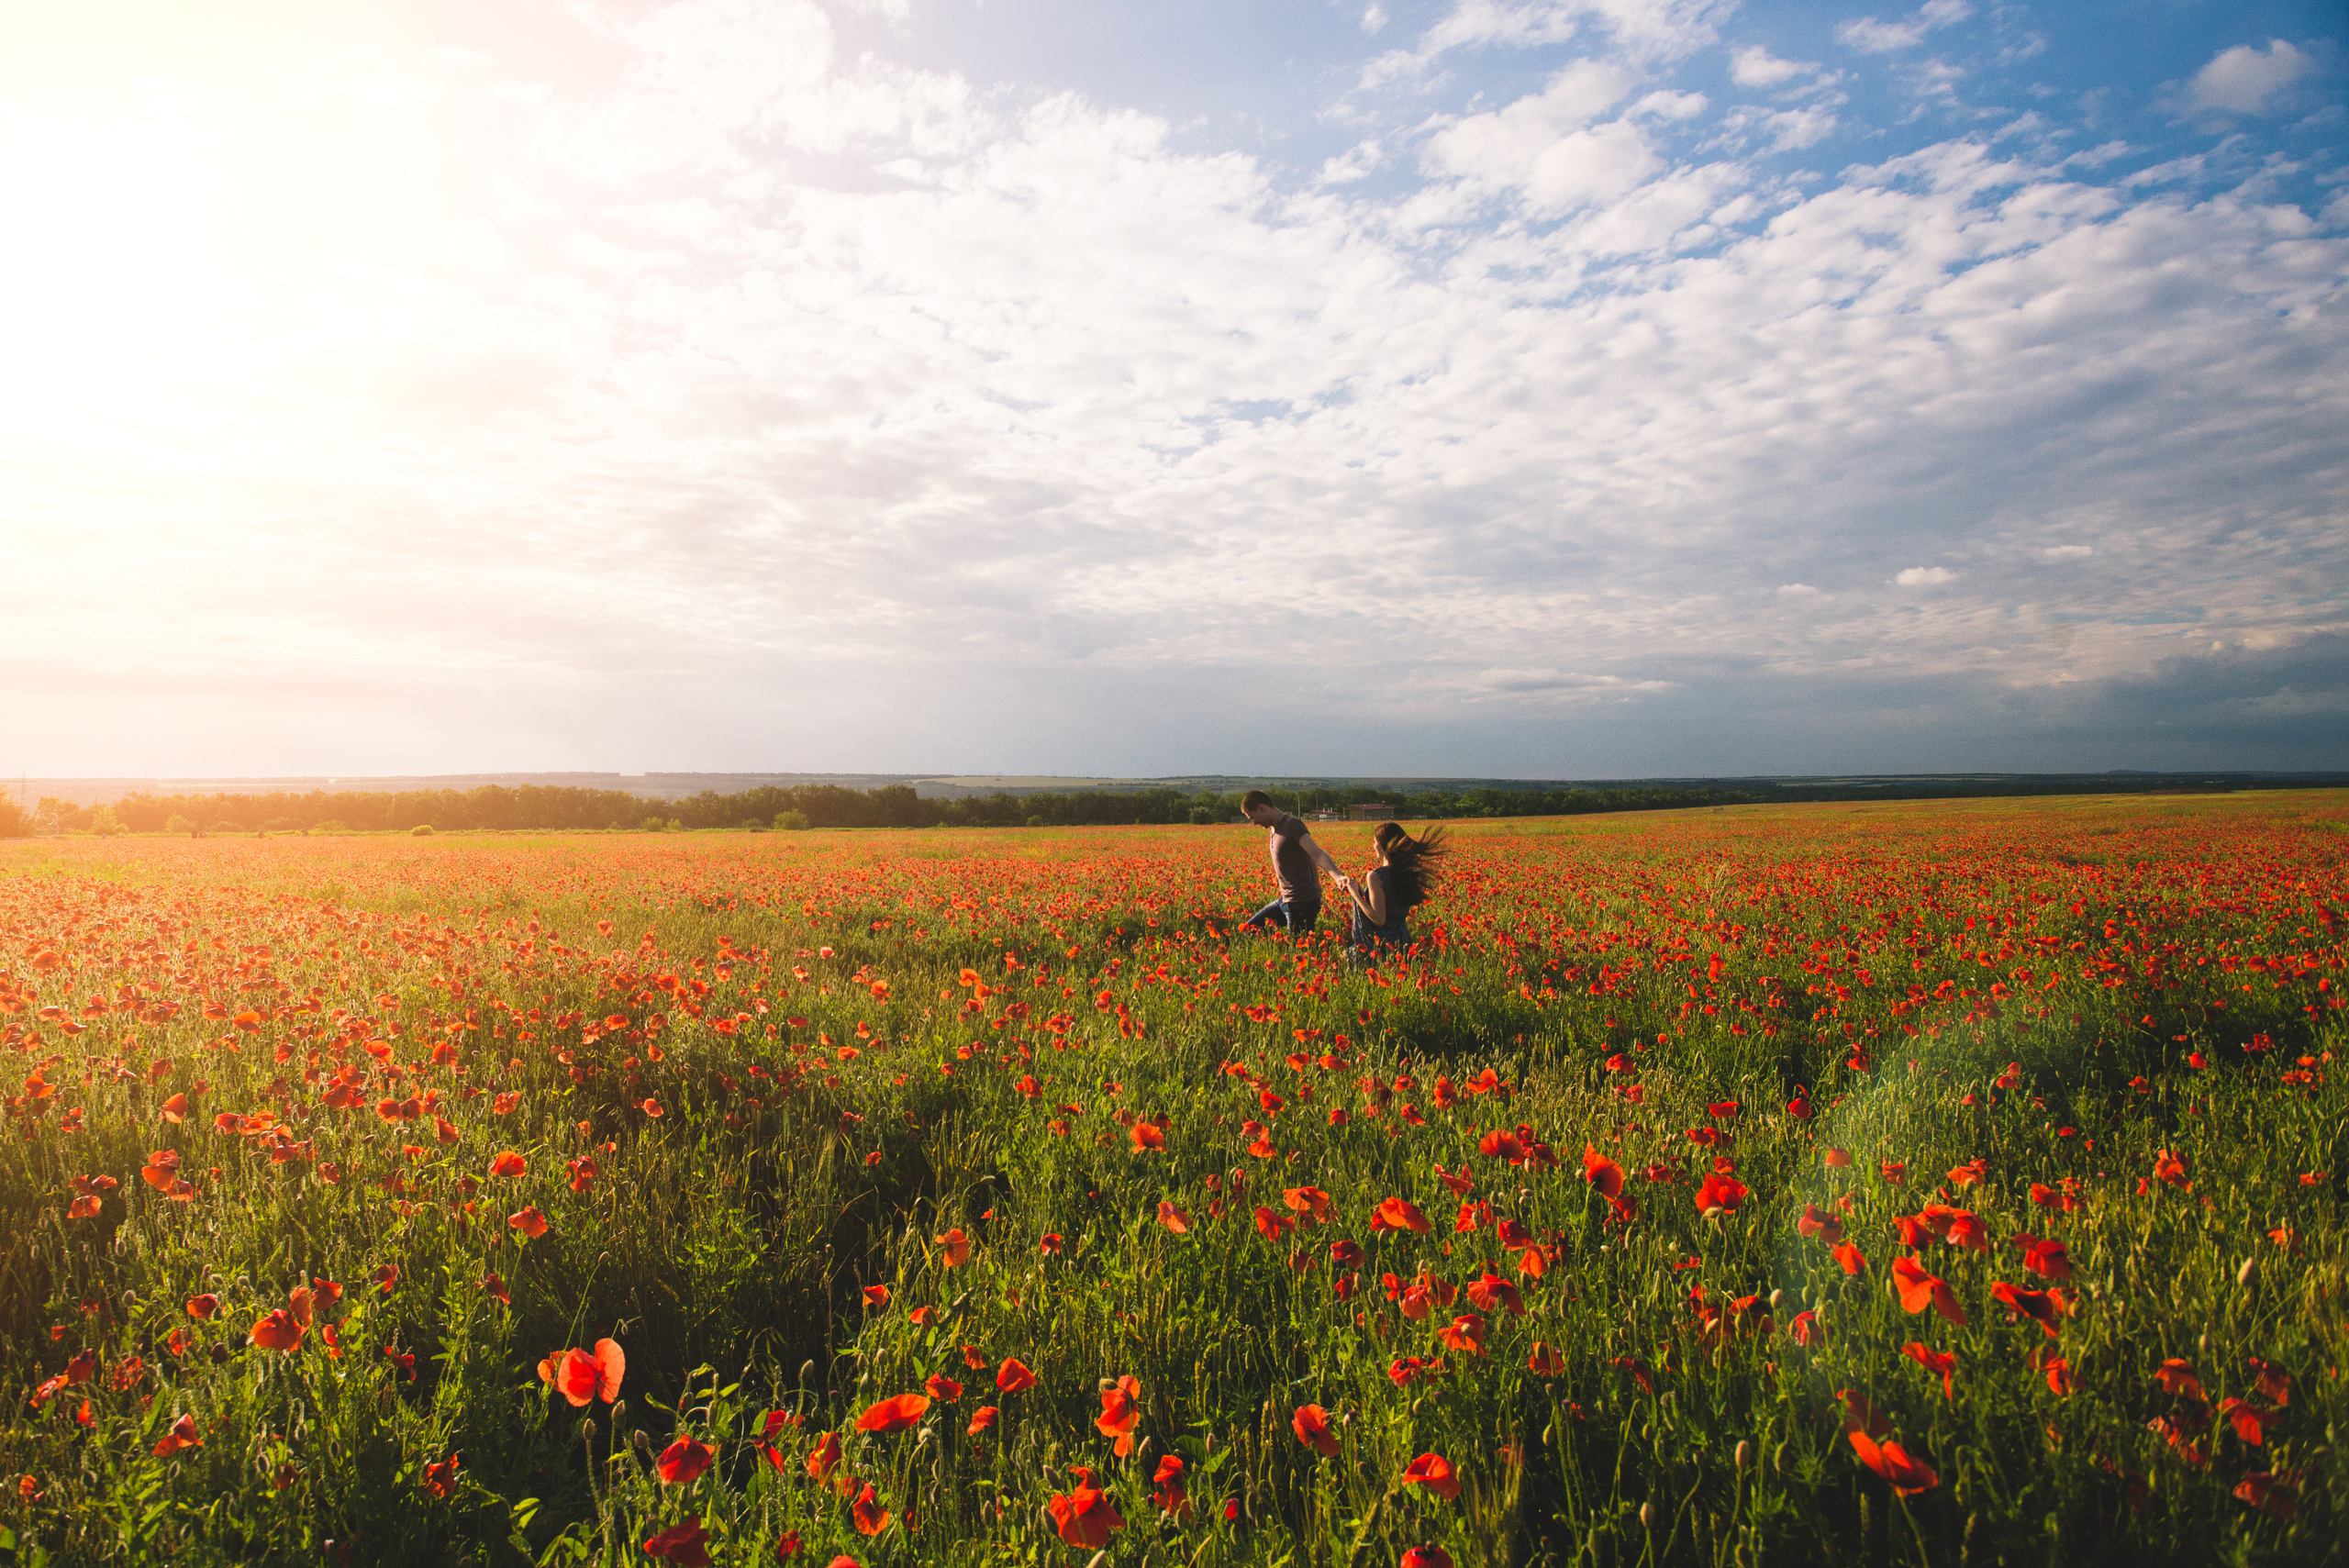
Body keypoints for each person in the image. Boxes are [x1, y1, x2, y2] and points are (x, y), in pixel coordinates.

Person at [1236, 789, 1342, 936]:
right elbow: (1309, 857)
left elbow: (1316, 853)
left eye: (1252, 817)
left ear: (1261, 808)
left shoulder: (1292, 825)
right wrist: (1316, 883)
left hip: (1301, 903)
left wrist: (1338, 877)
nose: (1254, 823)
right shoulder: (1275, 828)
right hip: (1285, 900)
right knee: (1248, 930)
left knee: (1299, 950)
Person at [1334, 821, 1448, 953]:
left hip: (1381, 944)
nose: (1373, 845)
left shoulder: (1376, 876)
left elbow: (1379, 919)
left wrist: (1355, 894)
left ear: (1382, 846)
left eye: (1375, 842)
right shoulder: (1406, 872)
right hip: (1403, 940)